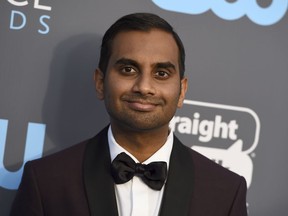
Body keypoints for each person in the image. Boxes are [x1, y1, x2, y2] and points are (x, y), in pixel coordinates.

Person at [10, 13, 247, 216]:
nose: (144, 87)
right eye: (128, 69)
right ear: (100, 82)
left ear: (182, 90)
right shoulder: (46, 181)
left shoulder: (226, 192)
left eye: (162, 73)